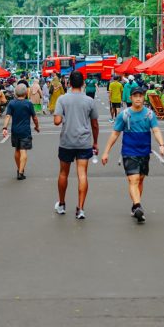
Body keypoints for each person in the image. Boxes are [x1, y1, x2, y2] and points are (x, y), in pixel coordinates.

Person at [101, 87, 164, 224]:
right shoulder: (124, 115)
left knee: (140, 179)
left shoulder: (149, 114)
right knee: (133, 180)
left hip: (144, 152)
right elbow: (115, 134)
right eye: (135, 96)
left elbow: (156, 130)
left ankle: (136, 204)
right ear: (130, 98)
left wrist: (161, 144)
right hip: (129, 151)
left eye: (140, 96)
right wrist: (106, 152)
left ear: (143, 98)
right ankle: (137, 206)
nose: (138, 98)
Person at [53, 71, 99, 220]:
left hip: (66, 141)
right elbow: (95, 124)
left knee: (63, 173)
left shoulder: (62, 99)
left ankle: (61, 204)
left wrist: (63, 117)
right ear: (83, 83)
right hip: (84, 142)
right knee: (82, 174)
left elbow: (57, 121)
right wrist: (95, 142)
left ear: (69, 83)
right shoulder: (89, 101)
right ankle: (80, 209)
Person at [2, 84, 40, 180]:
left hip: (15, 131)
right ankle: (20, 172)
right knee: (23, 151)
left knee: (17, 150)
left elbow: (7, 116)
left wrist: (5, 128)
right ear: (26, 93)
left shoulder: (11, 103)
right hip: (25, 131)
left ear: (15, 93)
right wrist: (37, 126)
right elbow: (34, 117)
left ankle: (19, 169)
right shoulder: (28, 103)